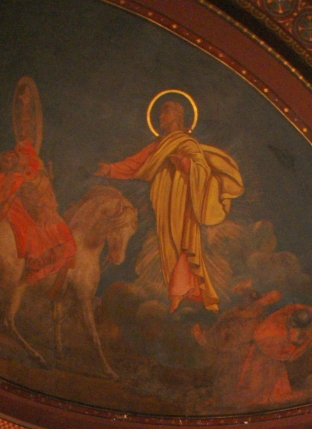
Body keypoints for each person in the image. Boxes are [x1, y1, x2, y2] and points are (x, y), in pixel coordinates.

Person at [96, 97, 243, 312]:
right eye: (159, 115)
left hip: (183, 202)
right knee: (167, 246)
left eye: (164, 114)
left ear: (175, 116)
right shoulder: (158, 145)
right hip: (163, 202)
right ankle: (177, 293)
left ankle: (186, 291)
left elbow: (201, 168)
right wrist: (109, 169)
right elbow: (135, 164)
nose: (160, 119)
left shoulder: (187, 143)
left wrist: (185, 164)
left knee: (184, 243)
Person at [0, 137, 77, 287]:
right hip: (18, 198)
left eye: (10, 156)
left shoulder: (25, 164)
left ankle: (37, 262)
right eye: (7, 159)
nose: (10, 157)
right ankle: (34, 261)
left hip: (30, 202)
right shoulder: (14, 173)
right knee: (55, 238)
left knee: (62, 241)